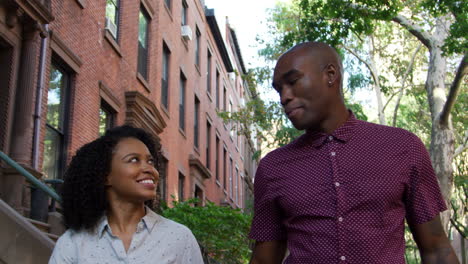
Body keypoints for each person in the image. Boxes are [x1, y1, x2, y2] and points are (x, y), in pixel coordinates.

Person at [249, 42, 459, 264]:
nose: (284, 97)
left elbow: (437, 249)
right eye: (279, 89)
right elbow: (264, 260)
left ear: (330, 74)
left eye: (292, 82)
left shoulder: (403, 148)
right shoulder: (273, 168)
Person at [49, 125, 204, 263]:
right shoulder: (73, 243)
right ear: (105, 175)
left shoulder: (179, 238)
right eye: (134, 160)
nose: (150, 169)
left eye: (150, 161)